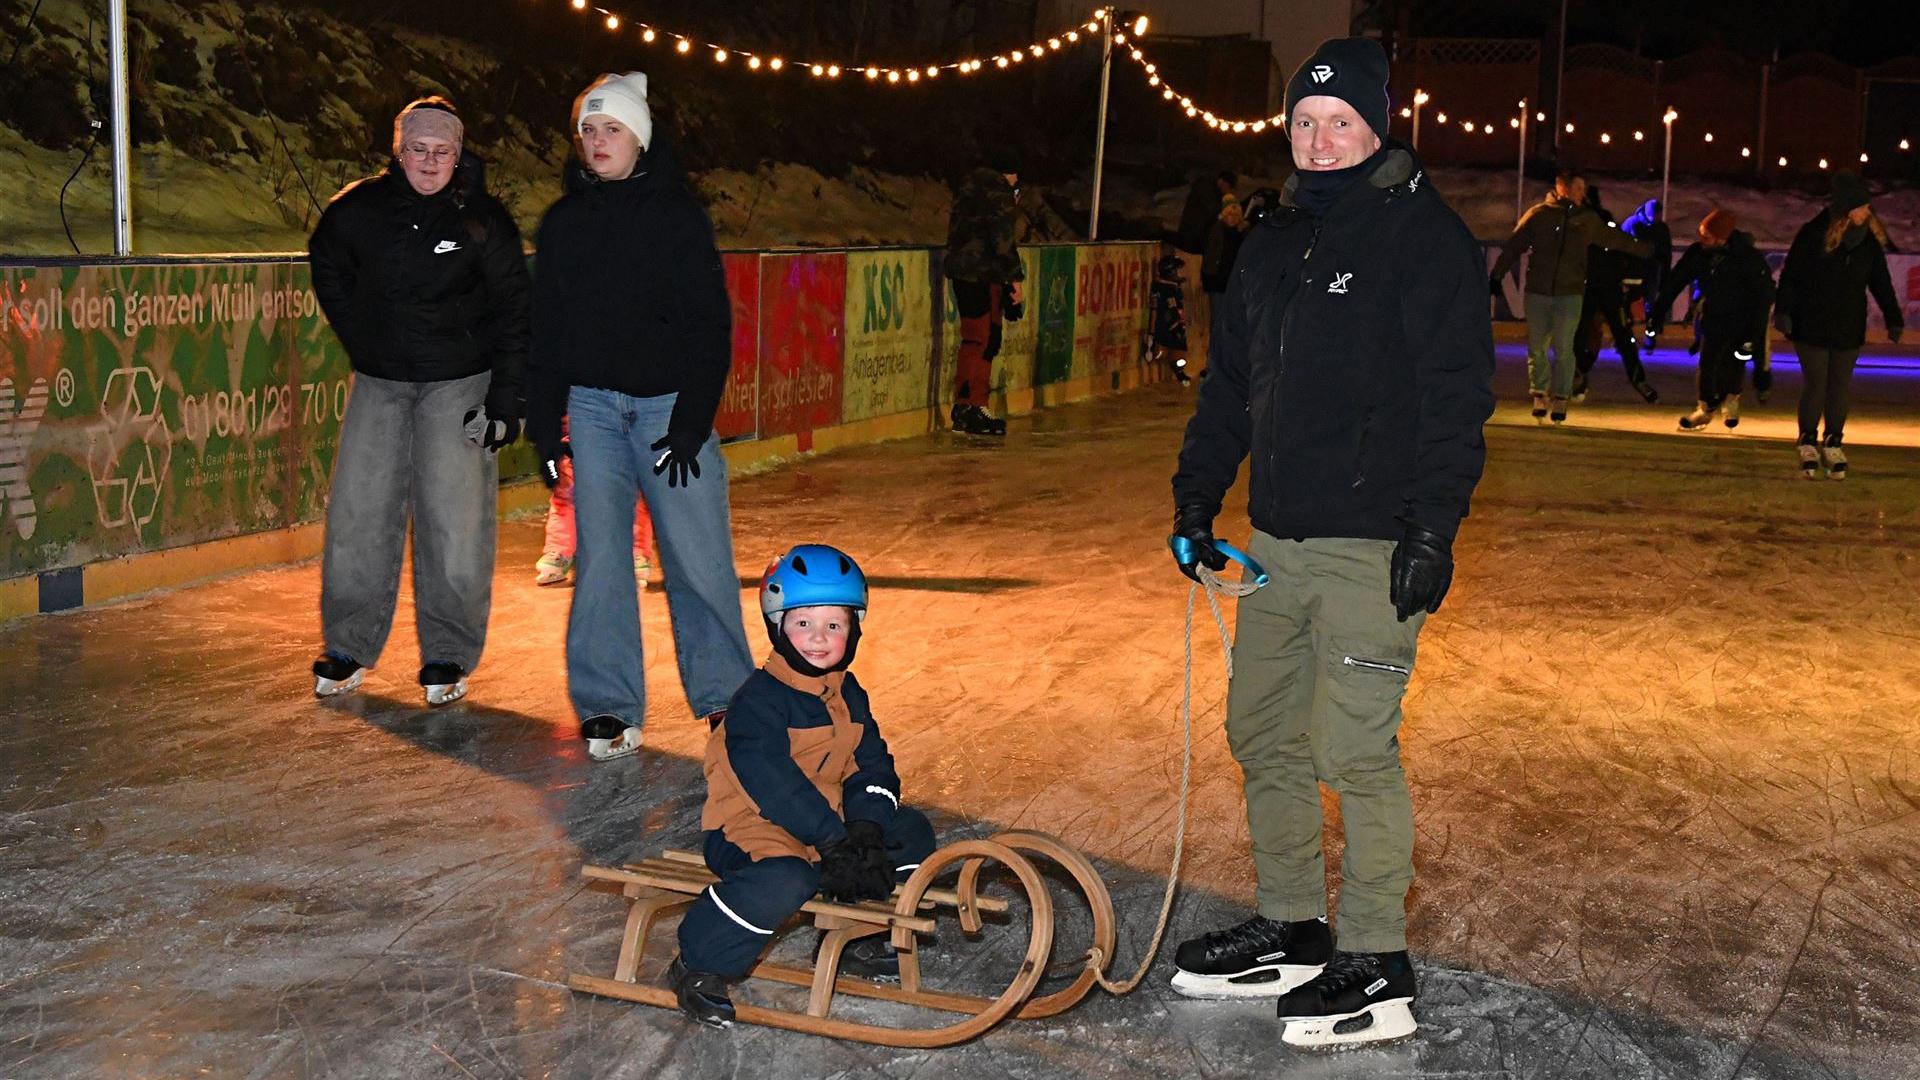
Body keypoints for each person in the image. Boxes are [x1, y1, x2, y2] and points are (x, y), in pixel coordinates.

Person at [1168, 38, 1494, 1049]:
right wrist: (1194, 501)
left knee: (1353, 750)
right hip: (1273, 545)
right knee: (1262, 733)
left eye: (1339, 121)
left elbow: (1456, 398)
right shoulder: (1272, 244)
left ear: (1375, 127)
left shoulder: (1423, 240)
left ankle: (1376, 964)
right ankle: (1296, 928)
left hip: (1371, 548)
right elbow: (1232, 390)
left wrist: (1432, 529)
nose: (1319, 139)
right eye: (1305, 123)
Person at [526, 72, 754, 761]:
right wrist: (545, 425)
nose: (598, 142)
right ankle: (608, 706)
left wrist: (689, 423)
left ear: (640, 138)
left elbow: (711, 326)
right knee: (599, 559)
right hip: (592, 409)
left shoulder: (677, 219)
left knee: (698, 559)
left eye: (612, 129)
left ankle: (728, 701)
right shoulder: (564, 224)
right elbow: (547, 333)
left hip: (666, 410)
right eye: (588, 131)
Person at [307, 96, 530, 707]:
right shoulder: (359, 211)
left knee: (455, 522)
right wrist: (359, 335)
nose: (430, 162)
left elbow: (515, 309)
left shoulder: (482, 221)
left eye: (443, 152)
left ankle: (448, 653)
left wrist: (507, 396)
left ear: (458, 158)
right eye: (419, 150)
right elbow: (326, 261)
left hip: (459, 382)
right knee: (358, 513)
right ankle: (348, 642)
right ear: (398, 152)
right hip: (380, 381)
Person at [669, 545, 937, 1027]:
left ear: (854, 629)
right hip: (753, 826)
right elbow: (773, 785)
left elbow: (873, 766)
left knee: (910, 833)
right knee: (788, 878)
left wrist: (865, 830)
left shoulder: (847, 693)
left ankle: (859, 937)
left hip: (825, 823)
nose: (818, 638)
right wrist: (832, 839)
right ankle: (699, 964)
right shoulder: (759, 700)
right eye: (803, 624)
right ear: (778, 627)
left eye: (834, 625)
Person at [1490, 171, 1649, 425]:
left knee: (1565, 347)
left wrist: (1645, 250)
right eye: (1577, 189)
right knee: (1537, 346)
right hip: (1538, 292)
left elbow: (1613, 238)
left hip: (1570, 293)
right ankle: (1540, 393)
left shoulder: (1585, 219)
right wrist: (1497, 276)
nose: (1582, 194)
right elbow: (1514, 245)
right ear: (1562, 188)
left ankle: (1562, 396)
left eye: (1583, 189)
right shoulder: (1539, 215)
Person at [1775, 172, 1904, 479]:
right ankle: (1807, 439)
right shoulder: (1812, 234)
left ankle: (1834, 440)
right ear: (1847, 209)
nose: (1867, 212)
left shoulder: (1868, 244)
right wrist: (1784, 311)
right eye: (1862, 207)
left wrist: (1893, 317)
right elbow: (1791, 276)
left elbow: (1881, 283)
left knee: (1839, 385)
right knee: (1817, 383)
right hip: (1811, 323)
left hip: (1848, 324)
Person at [1653, 209, 1775, 432]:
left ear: (1722, 237)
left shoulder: (1747, 258)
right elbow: (1676, 280)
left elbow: (1764, 295)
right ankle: (1706, 407)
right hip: (1714, 319)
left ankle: (1731, 400)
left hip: (1743, 322)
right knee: (1707, 364)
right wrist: (1658, 310)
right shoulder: (1700, 254)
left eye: (1706, 236)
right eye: (1700, 234)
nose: (1701, 240)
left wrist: (1754, 337)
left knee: (1735, 362)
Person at [944, 163, 1025, 436]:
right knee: (982, 338)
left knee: (981, 337)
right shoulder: (997, 190)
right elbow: (1002, 238)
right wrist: (1014, 279)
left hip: (968, 270)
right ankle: (971, 403)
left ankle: (971, 403)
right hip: (981, 273)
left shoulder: (970, 184)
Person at [533, 416, 656, 586]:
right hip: (577, 431)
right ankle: (560, 551)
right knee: (567, 491)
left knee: (631, 494)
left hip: (625, 426)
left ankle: (635, 553)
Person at [1571, 185, 1659, 403]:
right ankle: (1580, 374)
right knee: (1590, 334)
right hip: (1595, 287)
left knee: (1608, 334)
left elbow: (1622, 247)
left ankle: (1634, 379)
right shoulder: (1579, 221)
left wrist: (1633, 284)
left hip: (1602, 288)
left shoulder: (1596, 221)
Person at [1620, 197, 1672, 351]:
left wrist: (1665, 274)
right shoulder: (1632, 224)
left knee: (1650, 306)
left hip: (1652, 272)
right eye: (1655, 215)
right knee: (1627, 303)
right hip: (1632, 271)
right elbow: (1621, 245)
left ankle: (1650, 336)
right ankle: (1625, 338)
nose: (1657, 218)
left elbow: (1666, 252)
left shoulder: (1661, 228)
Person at [1201, 200, 1249, 366]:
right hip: (1219, 284)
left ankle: (1230, 360)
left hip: (1235, 285)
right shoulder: (1216, 230)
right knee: (1219, 322)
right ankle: (1215, 360)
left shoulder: (1242, 233)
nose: (1232, 218)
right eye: (1229, 214)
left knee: (1234, 323)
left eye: (1235, 215)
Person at [1149, 239, 1192, 384]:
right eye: (1176, 271)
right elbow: (1162, 312)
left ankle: (1178, 370)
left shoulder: (1173, 288)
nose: (1178, 274)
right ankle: (1176, 368)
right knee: (1169, 351)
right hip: (1167, 329)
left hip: (1175, 326)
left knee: (1179, 352)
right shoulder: (1164, 289)